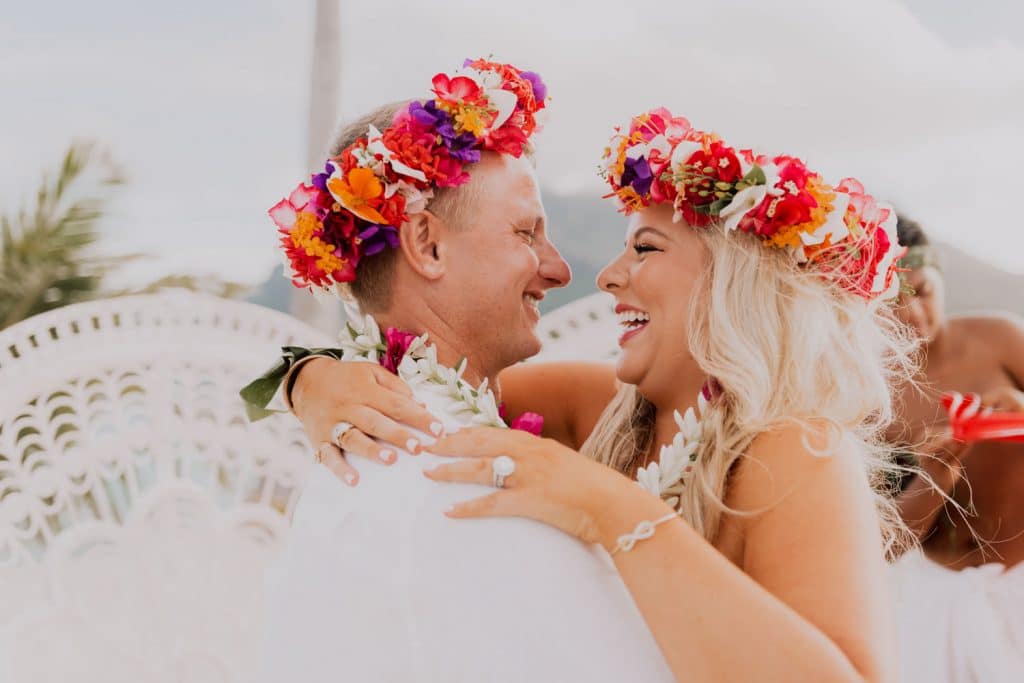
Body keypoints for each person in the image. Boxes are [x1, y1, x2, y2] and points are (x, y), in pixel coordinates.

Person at [258, 107, 914, 681]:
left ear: (729, 284)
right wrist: (308, 379)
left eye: (647, 247)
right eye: (525, 233)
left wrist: (609, 504)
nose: (598, 275)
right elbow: (428, 387)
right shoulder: (606, 409)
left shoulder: (796, 445)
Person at [256, 60, 676, 682]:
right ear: (426, 246)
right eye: (527, 233)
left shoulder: (386, 444)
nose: (561, 270)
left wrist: (300, 377)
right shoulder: (470, 484)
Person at [886, 215, 1024, 682]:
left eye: (922, 291)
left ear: (941, 279)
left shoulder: (1000, 340)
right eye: (891, 300)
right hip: (935, 597)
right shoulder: (866, 397)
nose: (911, 313)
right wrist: (930, 481)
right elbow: (880, 544)